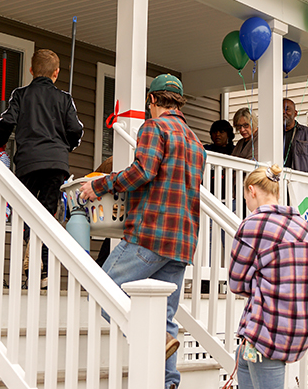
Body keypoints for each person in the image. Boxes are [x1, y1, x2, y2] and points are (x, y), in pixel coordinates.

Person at [79, 74, 205, 389]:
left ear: (152, 101)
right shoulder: (195, 142)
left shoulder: (154, 128)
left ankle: (154, 340)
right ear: (179, 102)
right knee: (164, 316)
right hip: (182, 242)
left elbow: (143, 171)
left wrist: (100, 184)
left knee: (104, 290)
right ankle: (168, 383)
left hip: (151, 233)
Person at [0, 49, 83, 287]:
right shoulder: (64, 99)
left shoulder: (21, 95)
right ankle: (40, 269)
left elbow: (8, 121)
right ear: (56, 73)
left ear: (31, 71)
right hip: (56, 164)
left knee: (28, 214)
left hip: (28, 164)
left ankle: (35, 268)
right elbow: (76, 130)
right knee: (48, 215)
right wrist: (67, 147)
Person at [228, 164, 308, 389]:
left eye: (246, 198)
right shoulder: (301, 225)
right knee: (242, 356)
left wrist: (257, 282)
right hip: (299, 321)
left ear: (252, 191)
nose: (248, 205)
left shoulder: (253, 224)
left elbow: (236, 282)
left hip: (269, 327)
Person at [282, 98, 308, 175]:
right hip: (277, 182)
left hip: (299, 183)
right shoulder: (274, 135)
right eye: (281, 110)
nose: (284, 112)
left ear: (295, 113)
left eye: (287, 109)